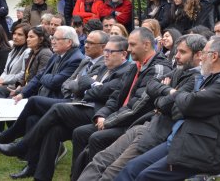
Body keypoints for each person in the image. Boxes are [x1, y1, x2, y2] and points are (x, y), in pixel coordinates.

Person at [115, 36, 220, 181]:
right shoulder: (215, 77)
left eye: (204, 53)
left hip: (204, 150)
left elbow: (189, 104)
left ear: (214, 56)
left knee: (146, 177)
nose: (201, 58)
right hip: (185, 140)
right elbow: (180, 101)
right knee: (130, 169)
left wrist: (172, 91)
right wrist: (179, 95)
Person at [79, 34, 206, 181]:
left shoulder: (195, 79)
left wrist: (160, 96)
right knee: (99, 159)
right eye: (176, 51)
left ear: (198, 55)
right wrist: (168, 91)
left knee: (114, 170)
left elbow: (164, 104)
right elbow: (151, 86)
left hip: (159, 134)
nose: (176, 56)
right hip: (145, 125)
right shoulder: (179, 70)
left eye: (182, 52)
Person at [70, 27, 172, 178]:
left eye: (132, 44)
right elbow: (116, 96)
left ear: (146, 44)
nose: (129, 49)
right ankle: (77, 176)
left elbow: (138, 105)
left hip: (135, 123)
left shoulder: (158, 68)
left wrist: (109, 121)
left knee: (96, 138)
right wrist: (102, 115)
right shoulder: (135, 66)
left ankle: (98, 176)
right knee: (79, 133)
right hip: (120, 118)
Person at [0, 26, 53, 137]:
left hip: (35, 91)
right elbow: (25, 75)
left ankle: (7, 135)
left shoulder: (45, 53)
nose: (28, 39)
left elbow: (39, 78)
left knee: (9, 101)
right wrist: (19, 85)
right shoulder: (31, 53)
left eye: (31, 37)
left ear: (41, 39)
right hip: (25, 88)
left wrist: (21, 90)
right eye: (28, 37)